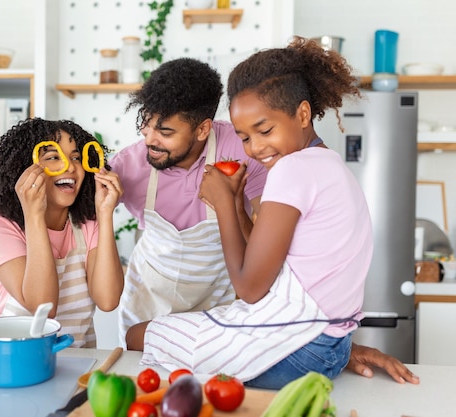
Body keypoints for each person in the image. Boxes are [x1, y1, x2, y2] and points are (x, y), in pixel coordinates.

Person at [0, 58, 419, 385]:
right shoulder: (127, 167)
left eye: (166, 130)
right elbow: (20, 280)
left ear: (203, 129)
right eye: (145, 125)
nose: (149, 140)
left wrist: (325, 338)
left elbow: (286, 268)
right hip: (149, 312)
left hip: (230, 313)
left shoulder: (252, 157)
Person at [132, 37, 406, 389]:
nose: (256, 148)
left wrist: (224, 206)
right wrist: (233, 202)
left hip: (295, 351)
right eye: (245, 137)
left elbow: (249, 289)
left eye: (265, 130)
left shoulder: (292, 171)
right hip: (330, 346)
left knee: (139, 334)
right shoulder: (329, 165)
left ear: (302, 113)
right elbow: (267, 257)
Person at [0, 117, 123, 348]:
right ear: (24, 169)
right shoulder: (1, 227)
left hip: (80, 366)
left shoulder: (87, 224)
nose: (71, 166)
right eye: (54, 157)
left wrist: (105, 214)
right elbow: (43, 306)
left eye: (76, 157)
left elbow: (108, 299)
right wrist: (33, 214)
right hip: (21, 362)